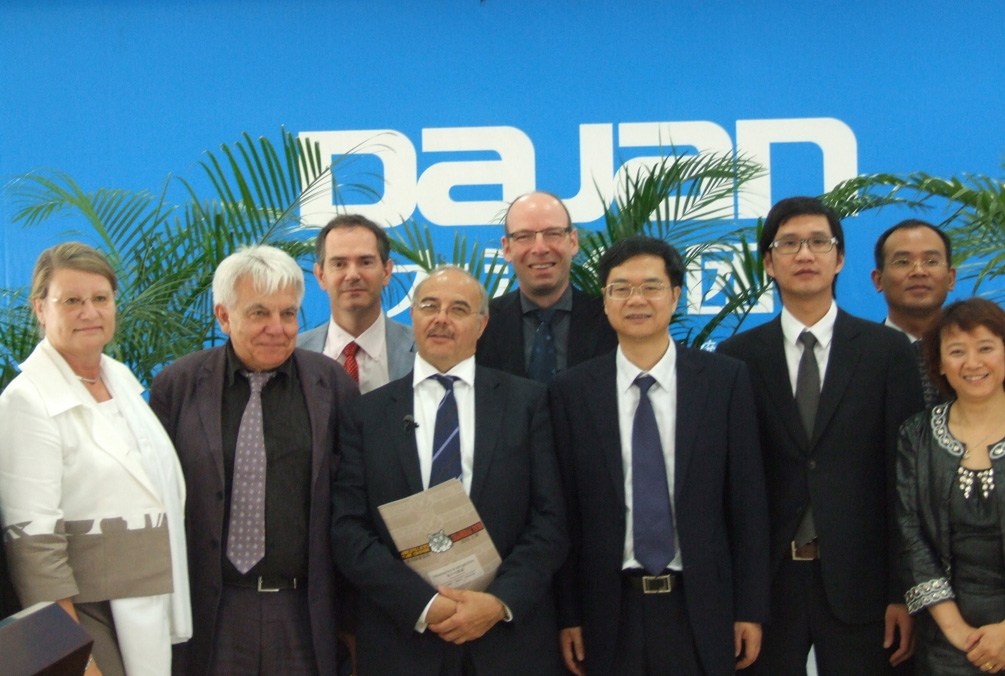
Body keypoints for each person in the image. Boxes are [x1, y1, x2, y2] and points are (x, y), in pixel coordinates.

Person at [717, 196, 925, 676]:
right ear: (768, 263)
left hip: (863, 584)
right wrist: (741, 598)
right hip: (772, 587)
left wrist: (902, 591)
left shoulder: (887, 351)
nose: (805, 254)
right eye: (788, 244)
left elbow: (905, 479)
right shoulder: (737, 357)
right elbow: (735, 485)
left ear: (840, 258)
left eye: (818, 242)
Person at [331, 266, 568, 676]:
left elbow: (551, 521)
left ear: (482, 325)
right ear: (413, 317)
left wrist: (498, 602)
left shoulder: (527, 403)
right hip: (401, 641)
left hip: (508, 644)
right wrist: (423, 604)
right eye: (429, 306)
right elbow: (348, 529)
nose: (441, 319)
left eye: (458, 309)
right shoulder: (365, 414)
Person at [550, 236, 770, 676]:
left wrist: (750, 608)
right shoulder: (571, 392)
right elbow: (564, 513)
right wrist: (568, 614)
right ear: (605, 302)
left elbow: (747, 502)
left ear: (675, 296)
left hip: (702, 606)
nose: (636, 300)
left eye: (651, 287)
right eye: (620, 289)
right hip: (607, 611)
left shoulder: (723, 381)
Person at [149, 245, 358, 676]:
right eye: (259, 313)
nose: (277, 329)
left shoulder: (330, 383)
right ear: (224, 316)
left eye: (288, 314)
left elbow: (355, 498)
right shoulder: (178, 385)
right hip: (211, 611)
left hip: (303, 613)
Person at [0, 242, 191, 676]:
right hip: (85, 612)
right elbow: (33, 545)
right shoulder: (26, 401)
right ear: (40, 308)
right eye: (71, 301)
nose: (90, 312)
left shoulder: (119, 379)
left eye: (100, 298)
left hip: (144, 601)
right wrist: (75, 655)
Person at [897, 297, 1005, 675]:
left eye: (986, 348)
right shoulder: (917, 434)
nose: (972, 363)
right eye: (957, 351)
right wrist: (957, 632)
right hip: (946, 637)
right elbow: (910, 534)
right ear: (939, 364)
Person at [476, 191, 617, 381]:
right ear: (507, 248)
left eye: (553, 234)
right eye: (524, 236)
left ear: (573, 241)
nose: (540, 249)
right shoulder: (481, 324)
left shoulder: (610, 320)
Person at [299, 214, 416, 393]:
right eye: (339, 264)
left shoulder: (423, 351)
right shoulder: (294, 355)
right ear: (321, 276)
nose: (353, 275)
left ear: (386, 272)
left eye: (365, 262)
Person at [872, 219, 957, 406]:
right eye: (903, 262)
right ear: (878, 280)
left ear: (951, 279)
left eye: (931, 261)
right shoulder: (858, 356)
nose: (919, 271)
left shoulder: (982, 357)